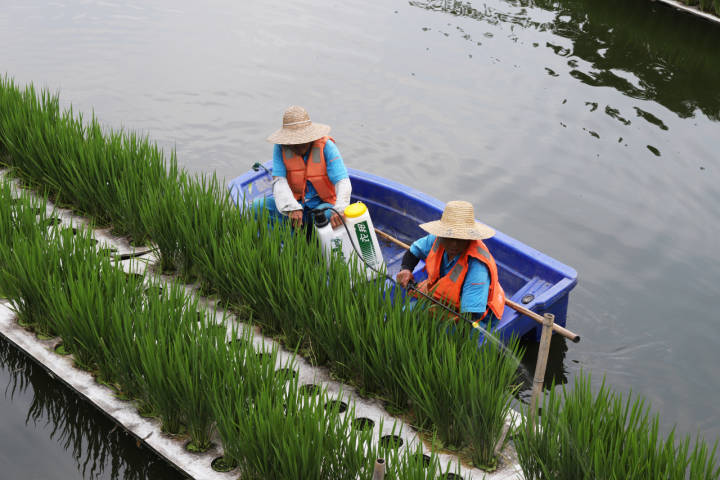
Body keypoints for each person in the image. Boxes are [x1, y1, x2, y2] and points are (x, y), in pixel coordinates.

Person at [395, 200, 505, 326]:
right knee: (404, 314)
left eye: (460, 238)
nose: (454, 244)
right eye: (450, 237)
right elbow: (414, 251)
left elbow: (470, 317)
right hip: (444, 299)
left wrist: (436, 320)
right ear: (442, 233)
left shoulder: (477, 267)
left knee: (438, 333)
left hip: (474, 315)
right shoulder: (437, 239)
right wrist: (406, 269)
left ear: (469, 237)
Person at [256, 105, 351, 229]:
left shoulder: (326, 146)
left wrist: (340, 209)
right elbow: (279, 181)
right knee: (258, 207)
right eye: (292, 143)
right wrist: (291, 207)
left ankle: (313, 240)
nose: (296, 147)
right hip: (296, 203)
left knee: (321, 217)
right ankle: (292, 240)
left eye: (300, 142)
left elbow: (342, 181)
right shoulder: (280, 147)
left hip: (323, 204)